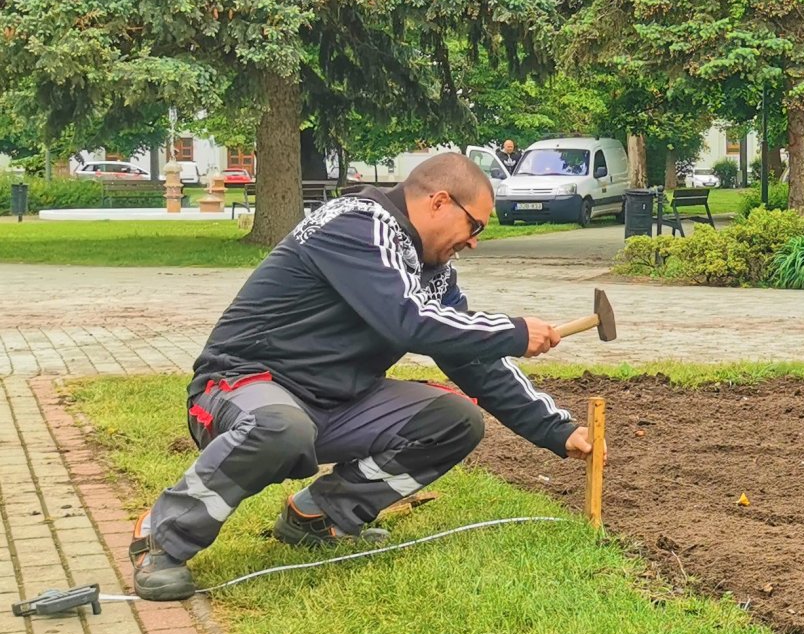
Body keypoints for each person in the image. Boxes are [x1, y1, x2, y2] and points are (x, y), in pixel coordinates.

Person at [129, 153, 591, 601]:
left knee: (454, 420)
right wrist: (512, 330)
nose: (474, 241)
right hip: (241, 386)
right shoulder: (356, 223)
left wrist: (559, 430)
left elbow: (471, 358)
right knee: (281, 427)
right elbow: (406, 320)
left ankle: (315, 516)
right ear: (439, 202)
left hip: (333, 404)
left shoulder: (432, 271)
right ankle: (162, 538)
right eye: (475, 226)